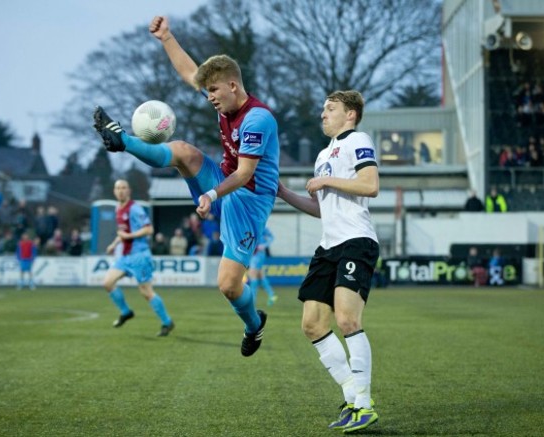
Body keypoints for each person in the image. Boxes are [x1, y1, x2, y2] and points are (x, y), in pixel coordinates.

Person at [93, 16, 280, 356]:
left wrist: (210, 194)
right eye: (207, 91)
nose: (209, 97)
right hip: (223, 180)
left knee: (228, 285)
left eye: (213, 90)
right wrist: (166, 37)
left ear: (233, 86)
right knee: (182, 151)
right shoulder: (225, 100)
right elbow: (190, 74)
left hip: (248, 200)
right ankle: (124, 142)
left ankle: (254, 325)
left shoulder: (257, 119)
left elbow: (244, 174)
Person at [277, 90, 380, 433]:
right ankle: (352, 396)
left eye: (330, 108)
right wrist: (285, 193)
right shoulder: (323, 154)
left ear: (349, 115)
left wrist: (324, 180)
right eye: (323, 108)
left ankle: (364, 405)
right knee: (312, 325)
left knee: (348, 320)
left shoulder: (357, 139)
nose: (323, 114)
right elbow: (322, 209)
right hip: (328, 246)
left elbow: (370, 185)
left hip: (356, 242)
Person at [103, 179, 175, 336]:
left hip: (139, 256)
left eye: (123, 188)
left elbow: (149, 229)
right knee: (108, 283)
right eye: (118, 188)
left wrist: (129, 235)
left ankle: (167, 322)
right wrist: (114, 244)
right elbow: (122, 232)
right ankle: (126, 311)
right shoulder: (117, 209)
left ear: (129, 191)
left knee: (146, 293)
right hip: (125, 256)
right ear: (114, 191)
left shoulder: (135, 209)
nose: (121, 191)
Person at [248, 227, 278, 306]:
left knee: (253, 275)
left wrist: (263, 245)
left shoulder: (262, 227)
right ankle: (272, 294)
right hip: (254, 254)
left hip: (258, 254)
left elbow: (271, 237)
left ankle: (252, 300)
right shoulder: (250, 226)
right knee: (260, 275)